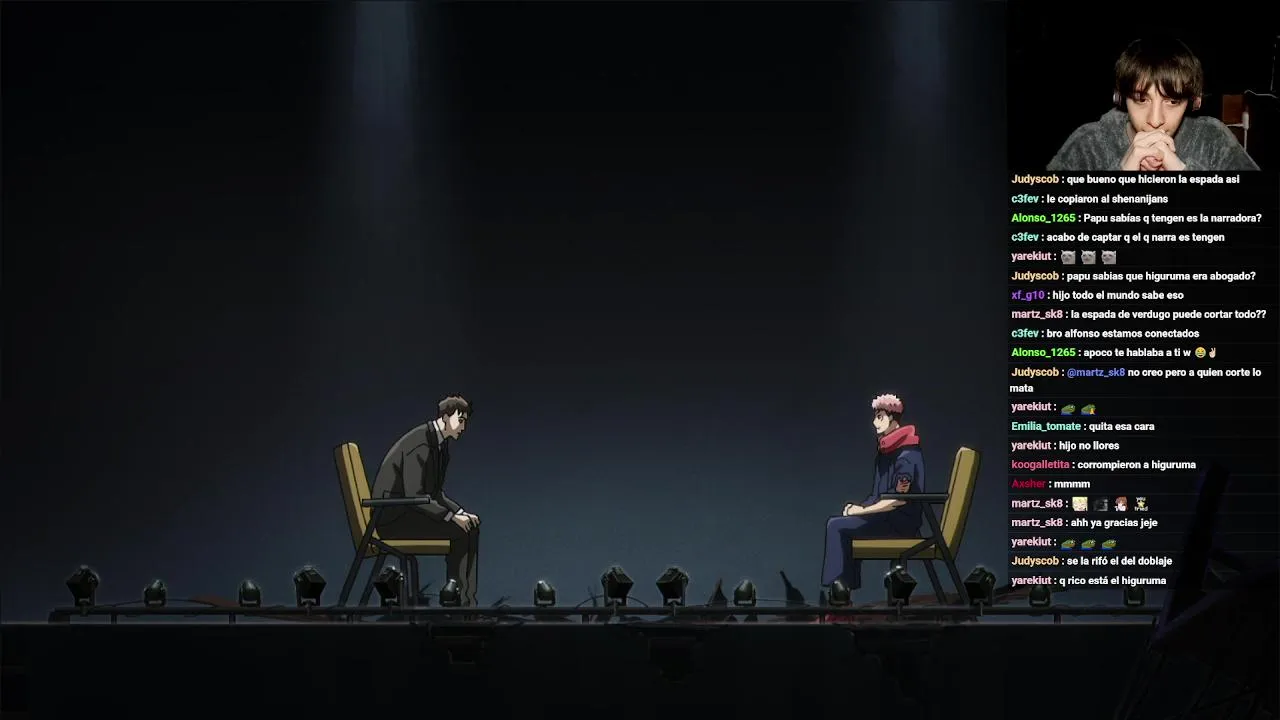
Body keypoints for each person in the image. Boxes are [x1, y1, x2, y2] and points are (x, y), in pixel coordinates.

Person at [1047, 36, 1258, 172]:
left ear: (1194, 102)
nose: (1155, 120)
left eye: (1172, 101)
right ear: (1120, 98)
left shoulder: (1213, 138)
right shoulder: (1087, 144)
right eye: (1141, 99)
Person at [370, 395, 481, 606]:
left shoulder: (440, 446)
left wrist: (460, 512)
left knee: (470, 527)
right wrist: (451, 517)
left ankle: (467, 602)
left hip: (409, 511)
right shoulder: (420, 443)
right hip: (393, 519)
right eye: (460, 420)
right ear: (445, 417)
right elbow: (416, 496)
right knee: (459, 531)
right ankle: (457, 603)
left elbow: (435, 494)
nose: (463, 427)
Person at [821, 393, 925, 594]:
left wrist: (861, 512)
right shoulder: (885, 454)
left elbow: (897, 500)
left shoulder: (907, 454)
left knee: (836, 526)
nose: (875, 422)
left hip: (899, 523)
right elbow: (878, 496)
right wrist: (859, 509)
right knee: (842, 524)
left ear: (893, 419)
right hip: (885, 518)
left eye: (880, 417)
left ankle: (840, 591)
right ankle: (843, 589)